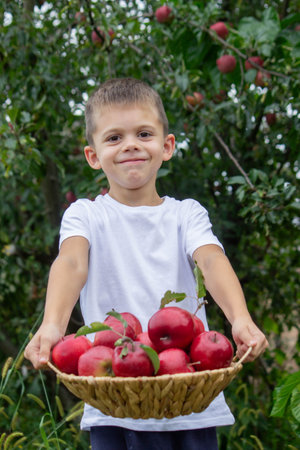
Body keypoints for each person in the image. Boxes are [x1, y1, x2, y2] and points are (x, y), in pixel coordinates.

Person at [24, 77, 269, 449]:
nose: (131, 145)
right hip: (115, 400)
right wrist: (52, 325)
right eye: (113, 138)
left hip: (188, 395)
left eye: (143, 133)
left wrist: (240, 318)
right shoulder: (85, 215)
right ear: (93, 156)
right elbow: (71, 263)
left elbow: (212, 260)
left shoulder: (186, 214)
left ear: (167, 146)